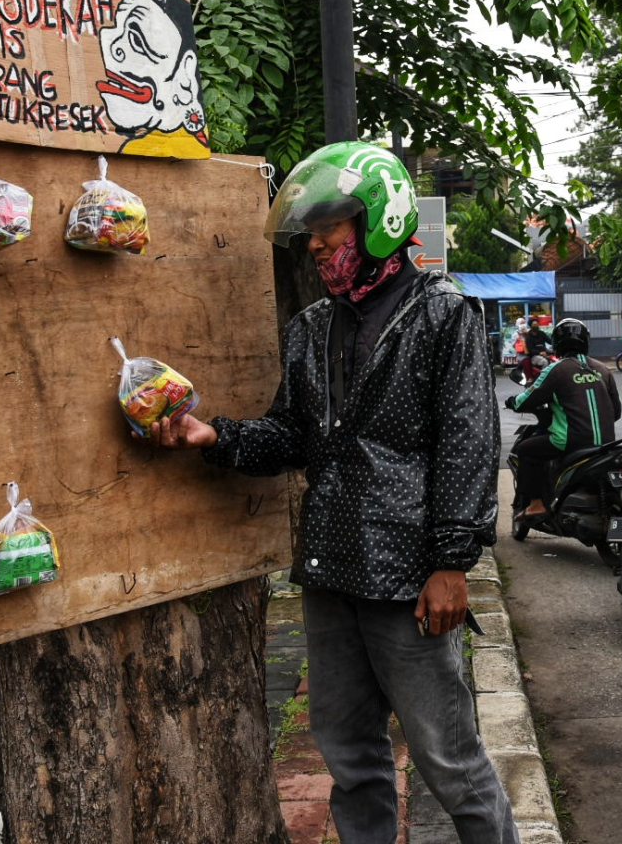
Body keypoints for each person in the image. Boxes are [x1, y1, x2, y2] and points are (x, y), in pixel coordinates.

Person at [144, 141, 517, 844]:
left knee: (449, 760)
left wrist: (450, 563)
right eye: (310, 232)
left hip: (408, 578)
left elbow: (469, 442)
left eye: (328, 228)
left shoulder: (443, 316)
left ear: (379, 221)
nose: (315, 245)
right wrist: (214, 436)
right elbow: (292, 435)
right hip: (329, 573)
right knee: (350, 759)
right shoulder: (311, 328)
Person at [506, 318, 621, 519]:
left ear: (557, 343)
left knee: (525, 450)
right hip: (607, 443)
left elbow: (527, 400)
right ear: (586, 341)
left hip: (570, 441)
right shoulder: (603, 369)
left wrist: (512, 401)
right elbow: (616, 412)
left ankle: (536, 504)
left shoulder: (556, 369)